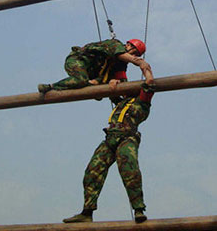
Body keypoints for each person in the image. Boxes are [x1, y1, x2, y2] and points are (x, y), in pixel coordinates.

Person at [63, 81, 156, 223]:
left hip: (127, 137)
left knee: (129, 170)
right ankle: (87, 211)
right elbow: (108, 88)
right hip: (110, 138)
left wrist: (144, 67)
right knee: (92, 170)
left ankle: (138, 209)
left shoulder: (142, 102)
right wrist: (113, 82)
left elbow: (150, 83)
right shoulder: (121, 102)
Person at [38, 38, 152, 93]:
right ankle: (50, 86)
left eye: (136, 53)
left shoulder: (121, 64)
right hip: (79, 60)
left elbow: (122, 79)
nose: (132, 53)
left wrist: (118, 83)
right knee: (81, 80)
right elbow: (121, 55)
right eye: (132, 50)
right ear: (127, 44)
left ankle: (91, 83)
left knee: (103, 85)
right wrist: (140, 62)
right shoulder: (115, 44)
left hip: (91, 72)